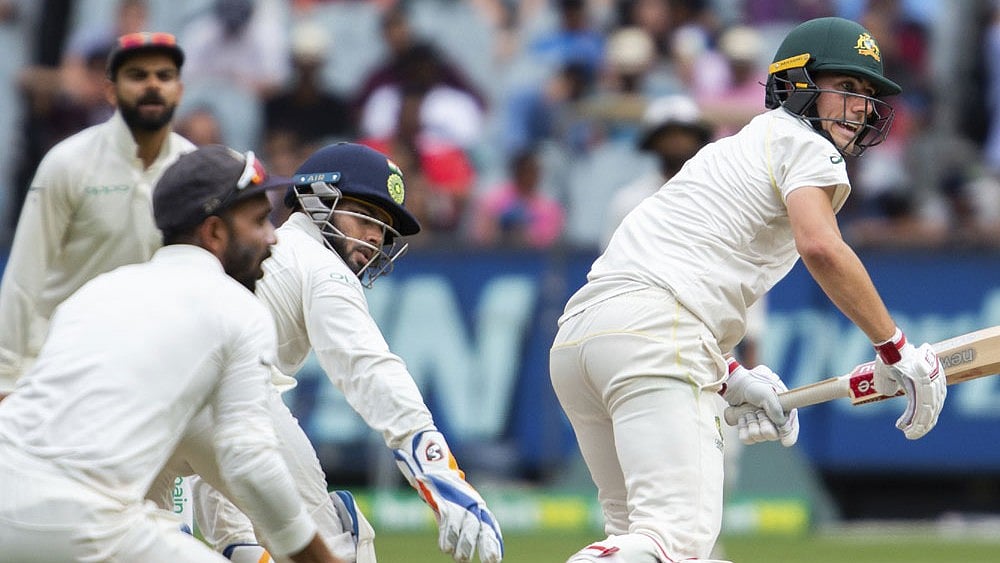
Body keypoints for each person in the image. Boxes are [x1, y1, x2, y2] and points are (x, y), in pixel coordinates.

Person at [549, 17, 948, 563]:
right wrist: (894, 348)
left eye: (868, 94)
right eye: (847, 88)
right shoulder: (807, 145)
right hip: (656, 333)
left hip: (581, 342)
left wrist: (730, 374)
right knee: (678, 541)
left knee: (637, 537)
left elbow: (664, 267)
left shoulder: (729, 150)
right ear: (798, 84)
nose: (861, 107)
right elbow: (822, 247)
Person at [0, 144, 341, 562]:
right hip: (84, 525)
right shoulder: (236, 308)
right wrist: (317, 556)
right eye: (258, 221)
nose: (273, 238)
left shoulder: (99, 290)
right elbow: (248, 459)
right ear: (214, 232)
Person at [183, 142, 504, 563]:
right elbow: (369, 369)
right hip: (225, 395)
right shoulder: (321, 265)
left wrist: (237, 540)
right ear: (317, 200)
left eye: (383, 229)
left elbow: (212, 452)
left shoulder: (261, 255)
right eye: (365, 215)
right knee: (337, 545)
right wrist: (438, 471)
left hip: (165, 395)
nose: (375, 237)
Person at [0, 31, 195, 401]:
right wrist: (4, 375)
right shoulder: (68, 162)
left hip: (149, 372)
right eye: (138, 75)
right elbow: (24, 275)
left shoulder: (192, 169)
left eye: (164, 76)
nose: (152, 85)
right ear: (110, 90)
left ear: (180, 91)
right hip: (60, 367)